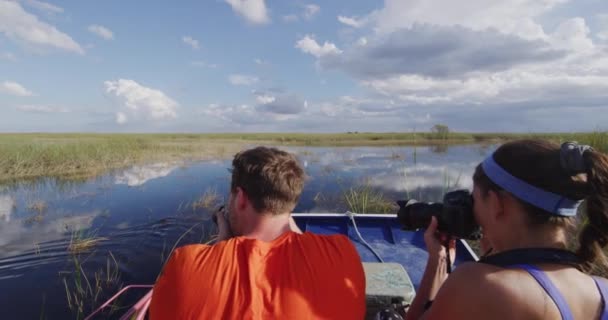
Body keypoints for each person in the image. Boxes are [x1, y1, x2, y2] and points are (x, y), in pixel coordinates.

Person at [149, 146, 366, 320]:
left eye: (231, 197)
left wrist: (222, 241)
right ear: (290, 201)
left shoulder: (185, 263)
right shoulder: (342, 252)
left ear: (241, 198)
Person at [405, 139, 608, 320]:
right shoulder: (602, 289)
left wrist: (438, 261)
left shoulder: (479, 284)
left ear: (496, 204)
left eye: (474, 199)